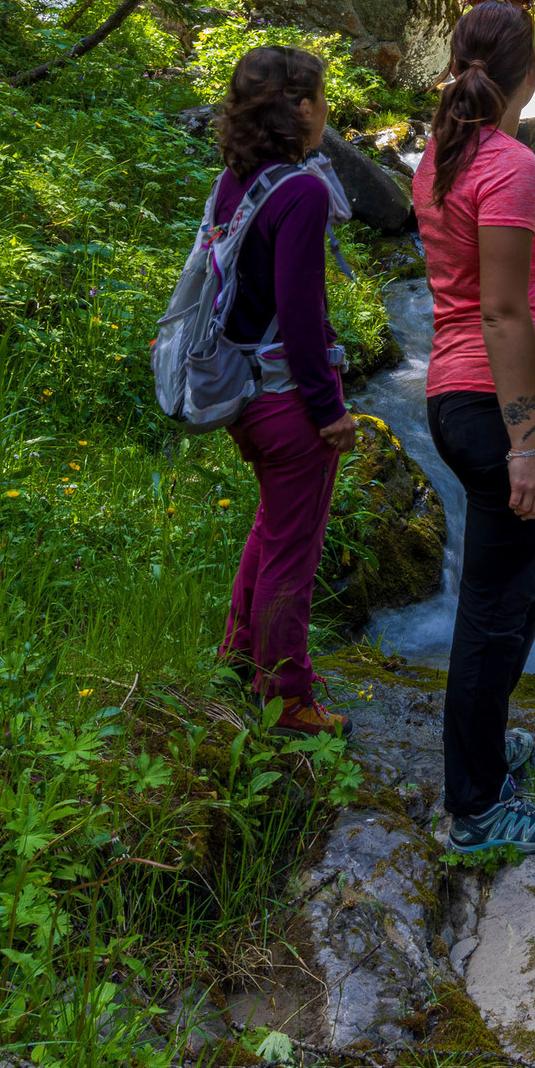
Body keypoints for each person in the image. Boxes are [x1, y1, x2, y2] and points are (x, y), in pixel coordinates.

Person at [413, 0, 535, 852]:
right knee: (495, 604)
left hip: (455, 395)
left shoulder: (440, 156)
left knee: (521, 585)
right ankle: (475, 806)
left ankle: (481, 762)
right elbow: (505, 313)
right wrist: (526, 447)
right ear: (532, 71)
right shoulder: (507, 163)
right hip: (502, 403)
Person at [213, 45, 357, 738]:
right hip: (286, 401)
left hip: (244, 390)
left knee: (271, 527)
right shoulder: (298, 191)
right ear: (299, 108)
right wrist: (328, 411)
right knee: (294, 553)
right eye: (322, 98)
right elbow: (302, 315)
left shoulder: (239, 180)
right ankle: (289, 698)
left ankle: (239, 655)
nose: (327, 110)